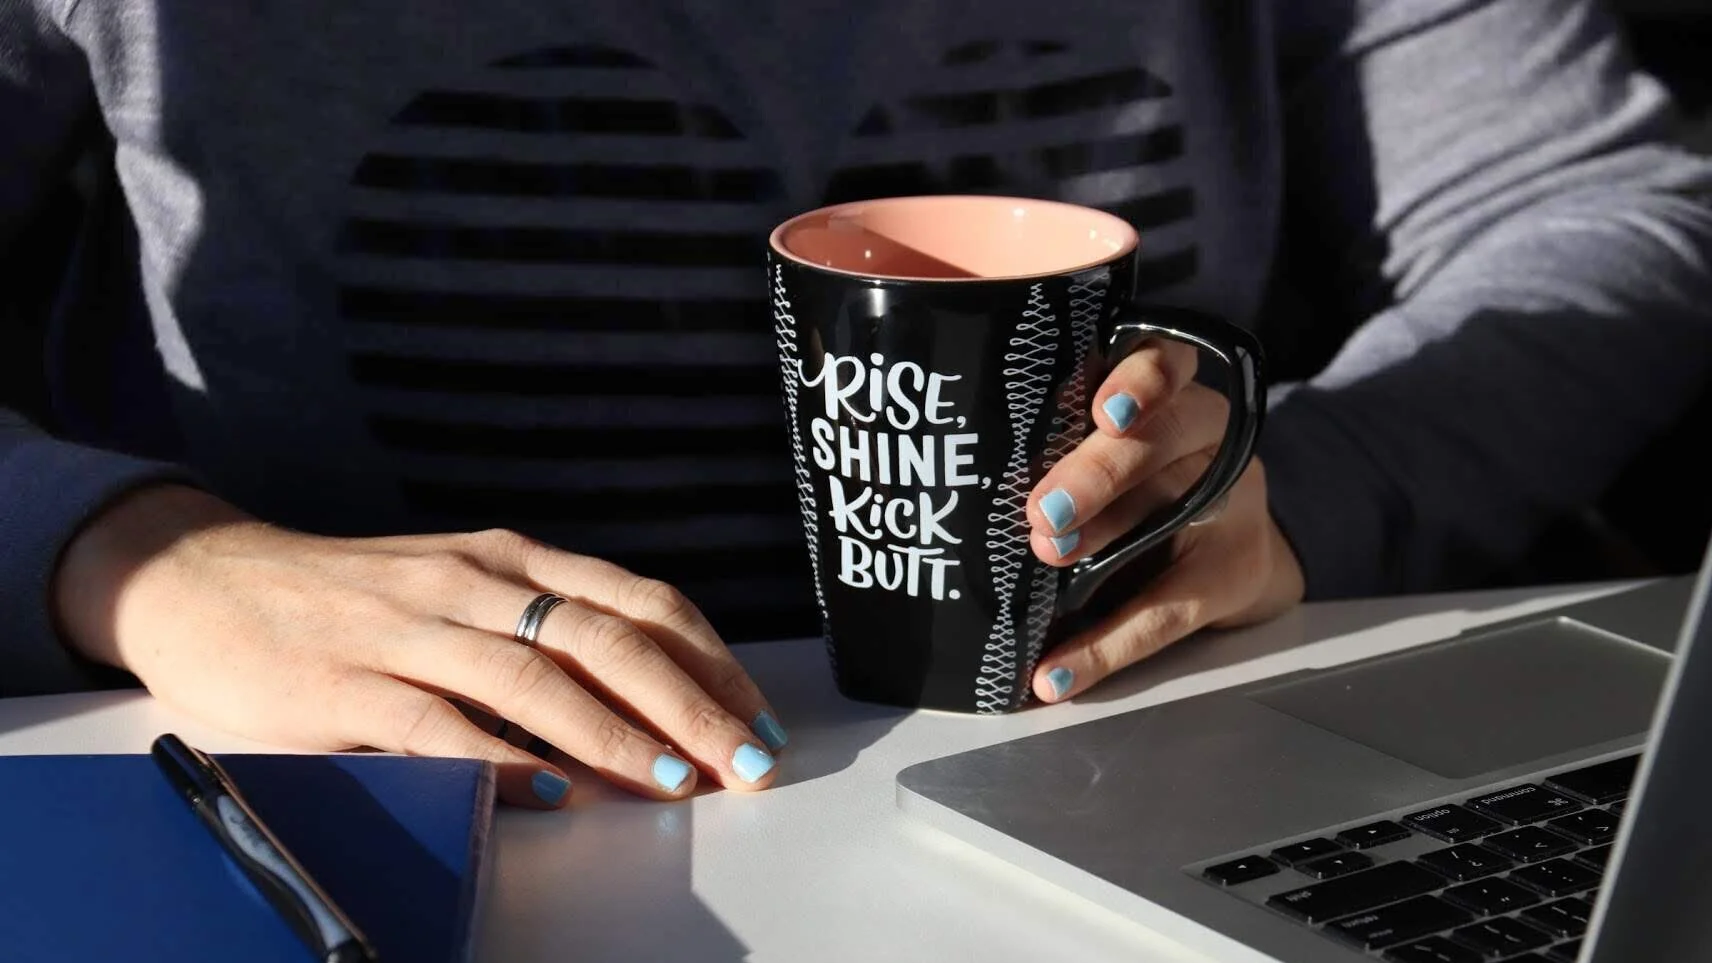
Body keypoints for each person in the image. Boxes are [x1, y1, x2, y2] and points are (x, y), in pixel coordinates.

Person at [3, 0, 1708, 809]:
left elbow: (1605, 202)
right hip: (370, 806)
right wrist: (134, 561)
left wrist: (1308, 493)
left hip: (1126, 769)